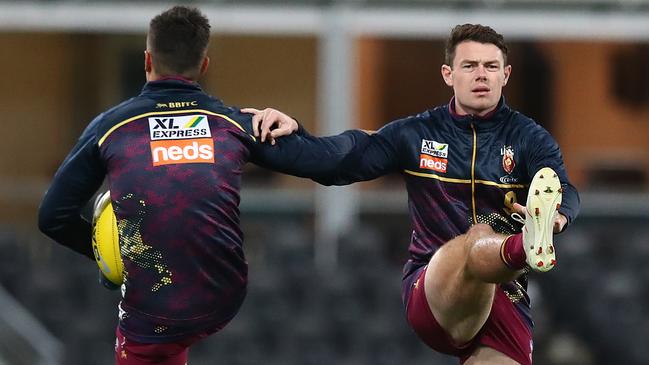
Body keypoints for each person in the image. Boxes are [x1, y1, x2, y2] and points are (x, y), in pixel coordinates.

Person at [245, 24, 580, 365]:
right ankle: (525, 244)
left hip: (504, 300)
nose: (482, 75)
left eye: (491, 67)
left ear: (506, 74)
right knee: (476, 238)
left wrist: (559, 215)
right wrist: (289, 135)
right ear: (448, 74)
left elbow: (563, 187)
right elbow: (340, 159)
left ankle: (530, 240)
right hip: (433, 290)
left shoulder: (530, 139)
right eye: (470, 66)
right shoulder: (417, 133)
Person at [37, 6, 306, 365]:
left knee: (154, 333)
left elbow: (53, 217)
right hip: (223, 296)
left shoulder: (112, 127)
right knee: (173, 337)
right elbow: (332, 162)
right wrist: (293, 125)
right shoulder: (236, 123)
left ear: (148, 60)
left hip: (153, 306)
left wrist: (110, 257)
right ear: (204, 65)